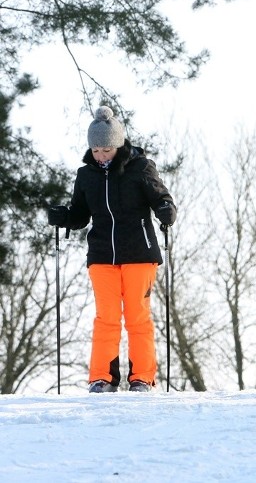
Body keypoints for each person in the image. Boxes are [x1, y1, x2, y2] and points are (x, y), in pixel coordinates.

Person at [47, 106, 176, 393]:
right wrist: (63, 217)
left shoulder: (141, 168)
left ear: (118, 145)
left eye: (106, 149)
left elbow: (161, 197)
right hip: (102, 255)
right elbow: (80, 215)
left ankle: (142, 377)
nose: (101, 156)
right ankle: (102, 378)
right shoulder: (86, 175)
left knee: (137, 316)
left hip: (139, 253)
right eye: (96, 150)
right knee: (106, 317)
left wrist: (166, 210)